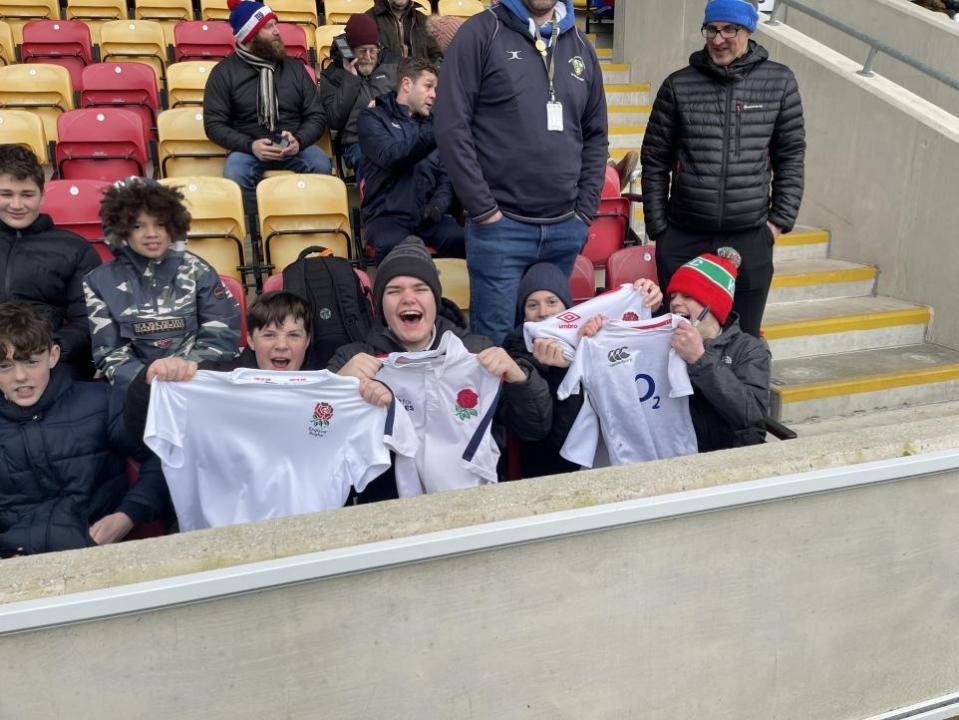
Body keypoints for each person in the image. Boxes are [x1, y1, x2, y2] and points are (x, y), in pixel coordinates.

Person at [434, 0, 609, 344]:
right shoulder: (479, 34)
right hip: (501, 230)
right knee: (496, 349)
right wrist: (484, 209)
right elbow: (451, 126)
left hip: (565, 229)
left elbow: (596, 135)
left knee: (555, 344)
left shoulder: (581, 46)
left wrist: (584, 211)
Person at [328, 236, 551, 499]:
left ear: (435, 300)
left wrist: (520, 380)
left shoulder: (476, 353)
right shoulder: (354, 359)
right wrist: (337, 388)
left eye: (420, 289)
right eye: (394, 291)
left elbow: (534, 428)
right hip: (387, 512)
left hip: (469, 506)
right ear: (381, 305)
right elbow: (319, 438)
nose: (408, 299)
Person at [640, 0, 805, 338]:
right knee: (678, 337)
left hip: (750, 236)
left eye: (729, 29)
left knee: (743, 339)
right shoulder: (678, 85)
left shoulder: (779, 82)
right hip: (684, 235)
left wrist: (777, 224)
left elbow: (791, 155)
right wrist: (659, 228)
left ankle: (742, 392)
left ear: (748, 31)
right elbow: (655, 160)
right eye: (712, 30)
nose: (718, 40)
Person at [124, 290, 391, 457]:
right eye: (269, 335)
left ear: (308, 341)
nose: (282, 345)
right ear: (250, 341)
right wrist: (148, 385)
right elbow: (144, 439)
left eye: (294, 335)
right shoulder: (213, 382)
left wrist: (354, 393)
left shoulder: (321, 388)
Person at [0, 302, 169, 556]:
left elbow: (161, 456)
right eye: (5, 366)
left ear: (53, 355)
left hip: (107, 551)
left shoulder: (101, 401)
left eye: (32, 362)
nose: (21, 376)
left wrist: (127, 515)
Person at [504, 262, 662, 477]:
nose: (543, 312)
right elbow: (547, 439)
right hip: (550, 470)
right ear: (523, 316)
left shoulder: (593, 333)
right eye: (532, 305)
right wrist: (562, 371)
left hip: (611, 459)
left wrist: (646, 300)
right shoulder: (516, 354)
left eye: (552, 302)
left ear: (567, 309)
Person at [84, 178, 242, 389]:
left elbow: (222, 335)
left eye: (160, 224)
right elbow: (109, 352)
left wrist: (185, 371)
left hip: (197, 384)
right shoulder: (98, 282)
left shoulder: (199, 271)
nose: (152, 234)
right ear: (121, 230)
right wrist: (148, 377)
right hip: (137, 391)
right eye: (138, 226)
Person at [204, 0, 331, 219]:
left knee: (319, 162)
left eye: (275, 25)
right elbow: (214, 124)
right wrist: (250, 145)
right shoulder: (224, 73)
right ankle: (260, 232)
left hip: (294, 145)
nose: (276, 32)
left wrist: (298, 140)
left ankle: (309, 222)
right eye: (268, 27)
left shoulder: (295, 69)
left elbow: (316, 115)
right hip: (249, 148)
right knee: (235, 173)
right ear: (249, 35)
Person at [0, 145, 101, 378]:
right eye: (6, 194)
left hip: (49, 365)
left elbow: (89, 321)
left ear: (43, 196)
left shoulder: (75, 249)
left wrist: (48, 352)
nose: (16, 205)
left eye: (27, 194)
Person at [359, 57, 465, 264]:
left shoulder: (432, 125)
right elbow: (391, 156)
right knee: (397, 248)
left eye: (436, 89)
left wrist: (437, 207)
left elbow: (446, 176)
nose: (434, 95)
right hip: (387, 217)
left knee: (460, 239)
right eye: (428, 87)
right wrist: (436, 130)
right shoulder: (372, 118)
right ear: (407, 84)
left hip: (427, 217)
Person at [664, 248, 770, 451]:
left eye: (687, 295)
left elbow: (752, 417)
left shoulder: (749, 349)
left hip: (723, 459)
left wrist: (700, 359)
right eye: (673, 296)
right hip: (672, 455)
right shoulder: (666, 339)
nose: (675, 302)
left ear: (711, 305)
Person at [320, 13, 400, 177]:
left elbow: (411, 100)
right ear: (349, 50)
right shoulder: (332, 75)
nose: (369, 57)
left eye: (373, 50)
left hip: (396, 135)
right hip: (358, 142)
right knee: (374, 167)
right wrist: (351, 79)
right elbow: (334, 120)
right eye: (363, 51)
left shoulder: (393, 64)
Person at [366, 0, 443, 63]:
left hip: (419, 78)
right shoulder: (368, 20)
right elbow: (367, 61)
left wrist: (427, 74)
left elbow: (437, 58)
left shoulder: (424, 21)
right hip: (385, 80)